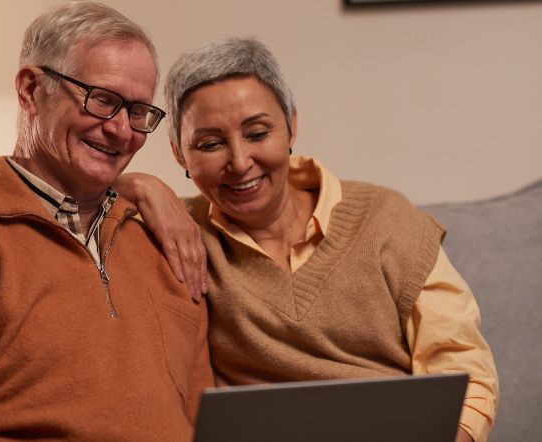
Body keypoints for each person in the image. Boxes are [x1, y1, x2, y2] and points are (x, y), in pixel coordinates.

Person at [119, 37, 498, 442]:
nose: (240, 162)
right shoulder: (178, 232)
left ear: (291, 126)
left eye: (257, 133)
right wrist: (138, 186)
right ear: (179, 155)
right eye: (210, 144)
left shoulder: (387, 219)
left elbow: (463, 368)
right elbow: (60, 197)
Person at [0, 2, 213, 440]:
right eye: (103, 100)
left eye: (137, 111)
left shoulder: (166, 238)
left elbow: (208, 422)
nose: (122, 131)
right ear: (31, 90)